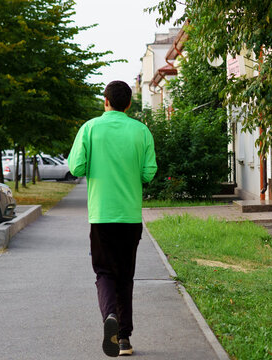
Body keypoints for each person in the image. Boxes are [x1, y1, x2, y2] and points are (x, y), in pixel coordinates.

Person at [68, 80, 157, 357]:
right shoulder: (141, 131)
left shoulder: (90, 128)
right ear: (129, 104)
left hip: (101, 215)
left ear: (105, 100)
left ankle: (110, 316)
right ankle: (124, 340)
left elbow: (76, 166)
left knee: (104, 273)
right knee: (125, 277)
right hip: (130, 217)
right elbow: (148, 172)